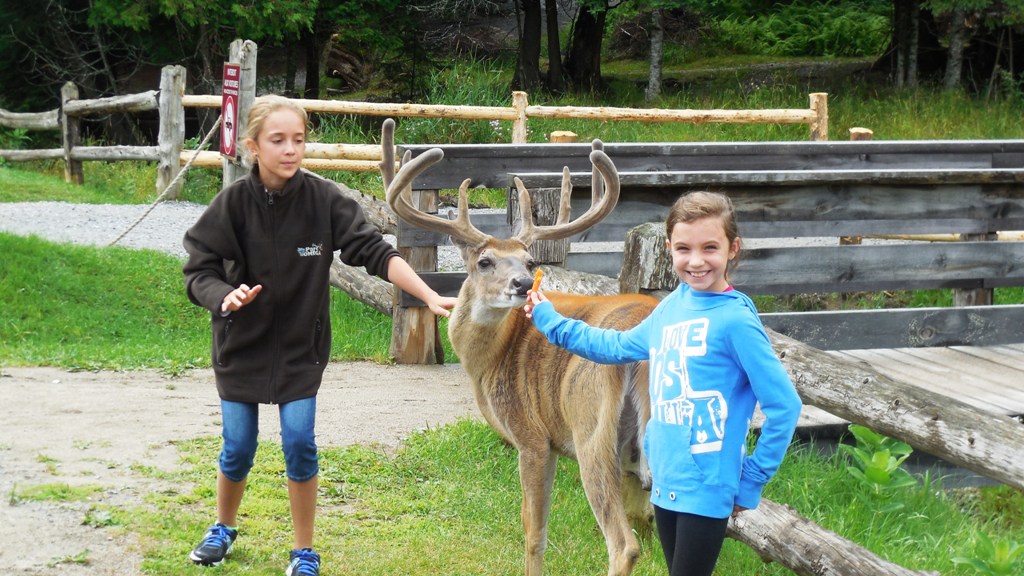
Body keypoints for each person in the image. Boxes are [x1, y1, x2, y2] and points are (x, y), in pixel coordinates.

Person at [182, 95, 457, 576]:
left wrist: (428, 295)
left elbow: (376, 252)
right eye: (278, 140)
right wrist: (224, 296)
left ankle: (304, 551)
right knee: (238, 447)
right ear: (252, 146)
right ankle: (222, 528)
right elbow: (198, 270)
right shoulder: (232, 205)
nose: (291, 149)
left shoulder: (324, 200)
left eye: (299, 139)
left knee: (299, 444)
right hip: (239, 349)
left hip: (300, 352)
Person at [524, 191, 801, 576]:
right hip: (666, 479)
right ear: (669, 249)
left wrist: (752, 479)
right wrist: (550, 319)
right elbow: (616, 346)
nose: (696, 261)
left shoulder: (736, 321)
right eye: (684, 248)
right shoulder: (672, 307)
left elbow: (785, 406)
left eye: (710, 247)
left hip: (707, 487)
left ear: (733, 248)